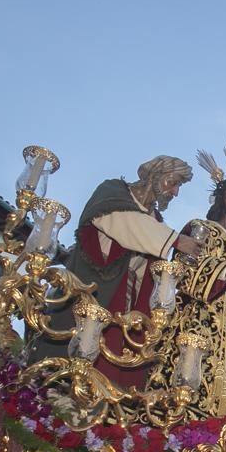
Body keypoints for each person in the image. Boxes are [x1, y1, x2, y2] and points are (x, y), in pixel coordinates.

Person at [31, 155, 198, 386]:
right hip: (94, 292)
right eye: (174, 182)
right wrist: (175, 240)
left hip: (125, 309)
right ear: (155, 174)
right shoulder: (113, 192)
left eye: (179, 185)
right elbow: (123, 224)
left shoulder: (155, 220)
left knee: (113, 374)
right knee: (70, 363)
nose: (176, 192)